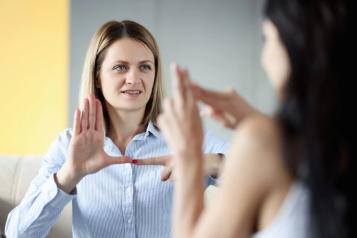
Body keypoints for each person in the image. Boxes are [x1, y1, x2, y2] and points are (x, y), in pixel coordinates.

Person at [5, 20, 228, 238]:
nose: (134, 78)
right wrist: (69, 175)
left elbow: (260, 177)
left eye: (144, 67)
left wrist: (214, 163)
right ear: (98, 77)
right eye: (120, 67)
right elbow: (17, 233)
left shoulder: (187, 139)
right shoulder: (68, 145)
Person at [158, 0, 354, 238]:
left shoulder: (262, 140)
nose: (264, 58)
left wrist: (188, 154)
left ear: (294, 44)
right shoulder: (326, 141)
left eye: (267, 39)